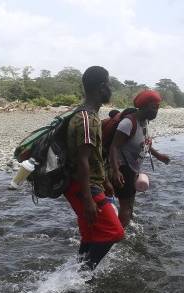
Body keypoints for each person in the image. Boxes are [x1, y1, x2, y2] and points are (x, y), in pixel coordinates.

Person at [64, 66, 124, 269]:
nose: (110, 88)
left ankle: (75, 274)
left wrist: (106, 180)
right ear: (101, 87)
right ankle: (84, 274)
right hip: (84, 186)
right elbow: (83, 160)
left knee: (91, 234)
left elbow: (94, 155)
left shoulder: (87, 114)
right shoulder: (87, 119)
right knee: (115, 232)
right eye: (108, 83)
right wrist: (88, 199)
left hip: (83, 184)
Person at [109, 90, 170, 227]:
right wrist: (115, 170)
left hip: (133, 168)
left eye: (158, 108)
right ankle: (118, 238)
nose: (156, 111)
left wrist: (159, 156)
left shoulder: (144, 122)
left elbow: (145, 144)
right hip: (123, 169)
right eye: (153, 107)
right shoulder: (128, 123)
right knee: (125, 207)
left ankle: (126, 230)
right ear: (144, 106)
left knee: (130, 203)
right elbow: (114, 147)